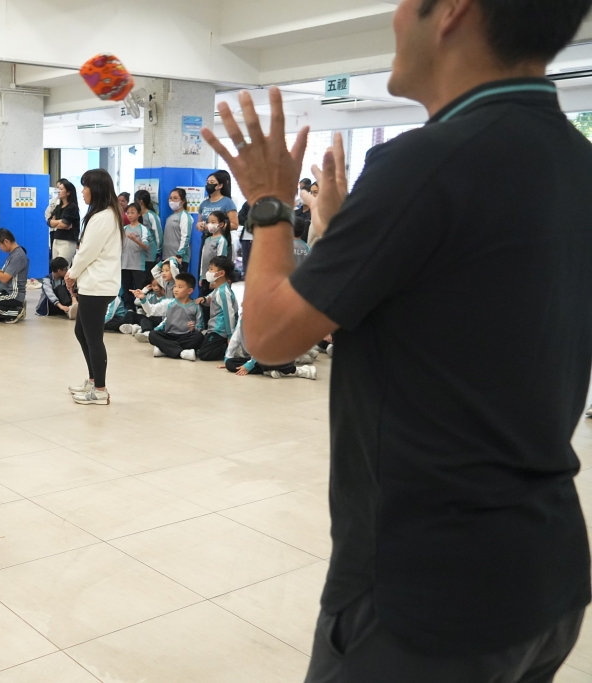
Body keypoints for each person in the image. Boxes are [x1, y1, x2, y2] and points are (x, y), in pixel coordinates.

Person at [202, 0, 592, 679]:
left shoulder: (427, 162)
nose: (393, 16)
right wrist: (338, 234)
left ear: (454, 11)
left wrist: (268, 204)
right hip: (546, 574)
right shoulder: (575, 159)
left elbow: (266, 335)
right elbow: (454, 312)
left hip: (428, 595)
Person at [65, 168, 123, 406]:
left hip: (97, 286)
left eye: (85, 187)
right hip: (95, 283)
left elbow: (87, 252)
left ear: (96, 189)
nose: (82, 191)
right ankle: (93, 380)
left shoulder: (103, 217)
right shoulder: (103, 214)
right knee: (82, 333)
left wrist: (71, 274)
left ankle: (100, 390)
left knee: (93, 338)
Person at [220, 315, 317, 380]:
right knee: (230, 363)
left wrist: (249, 365)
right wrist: (228, 358)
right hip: (258, 357)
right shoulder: (243, 317)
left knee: (264, 361)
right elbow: (235, 338)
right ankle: (269, 370)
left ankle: (298, 371)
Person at [147, 273, 203, 361]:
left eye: (180, 287)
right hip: (169, 335)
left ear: (189, 291)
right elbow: (153, 312)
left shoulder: (196, 306)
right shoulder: (169, 303)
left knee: (199, 337)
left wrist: (194, 328)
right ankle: (182, 352)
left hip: (186, 336)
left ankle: (165, 350)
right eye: (175, 286)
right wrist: (143, 299)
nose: (176, 289)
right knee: (152, 335)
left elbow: (200, 326)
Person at [194, 257, 239, 361]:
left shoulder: (223, 292)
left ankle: (232, 348)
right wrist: (204, 299)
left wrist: (230, 335)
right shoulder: (218, 289)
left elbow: (229, 315)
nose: (208, 272)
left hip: (220, 331)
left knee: (204, 354)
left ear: (221, 273)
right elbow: (211, 298)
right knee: (198, 343)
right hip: (214, 329)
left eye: (211, 269)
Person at [197, 210, 232, 303]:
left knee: (212, 302)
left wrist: (215, 280)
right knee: (202, 301)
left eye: (213, 222)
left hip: (214, 278)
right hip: (205, 277)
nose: (209, 224)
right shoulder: (207, 239)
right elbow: (203, 259)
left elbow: (220, 261)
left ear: (221, 224)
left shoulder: (221, 240)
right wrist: (201, 276)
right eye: (208, 222)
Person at [120, 203, 150, 311]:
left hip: (138, 265)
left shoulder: (143, 229)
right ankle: (129, 309)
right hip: (125, 264)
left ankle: (140, 309)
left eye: (132, 212)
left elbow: (146, 246)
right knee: (127, 288)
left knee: (139, 288)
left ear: (139, 214)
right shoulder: (124, 229)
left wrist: (135, 240)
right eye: (128, 213)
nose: (129, 215)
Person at [48, 178, 81, 263]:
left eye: (61, 189)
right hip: (56, 239)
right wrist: (59, 222)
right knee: (55, 266)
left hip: (67, 241)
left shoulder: (72, 207)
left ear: (68, 192)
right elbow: (49, 222)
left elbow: (64, 224)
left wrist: (57, 223)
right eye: (58, 189)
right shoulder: (58, 207)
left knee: (63, 267)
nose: (58, 191)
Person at [161, 188, 192, 269]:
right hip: (167, 256)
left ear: (183, 201)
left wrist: (179, 255)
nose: (172, 201)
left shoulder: (185, 216)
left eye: (175, 198)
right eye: (170, 198)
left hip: (178, 258)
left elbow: (186, 237)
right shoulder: (169, 217)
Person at [134, 189, 161, 278]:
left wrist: (158, 251)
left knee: (148, 279)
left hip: (150, 255)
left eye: (135, 200)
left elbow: (158, 235)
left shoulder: (151, 216)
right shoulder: (137, 216)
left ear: (140, 201)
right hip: (138, 255)